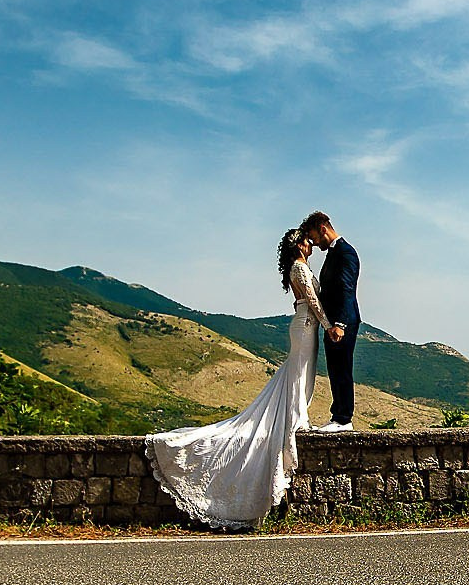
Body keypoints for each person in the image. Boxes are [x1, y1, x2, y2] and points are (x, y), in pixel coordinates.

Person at [145, 228, 330, 529]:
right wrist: (329, 324)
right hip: (306, 324)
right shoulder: (299, 267)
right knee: (298, 373)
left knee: (301, 373)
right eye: (307, 241)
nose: (311, 245)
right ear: (299, 245)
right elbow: (311, 298)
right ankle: (295, 418)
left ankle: (297, 414)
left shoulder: (301, 267)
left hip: (307, 325)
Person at [301, 211, 360, 432]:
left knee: (342, 368)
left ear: (322, 228)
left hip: (342, 323)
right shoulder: (334, 254)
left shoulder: (346, 253)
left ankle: (343, 419)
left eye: (313, 237)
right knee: (335, 369)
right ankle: (338, 417)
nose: (314, 243)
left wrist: (340, 324)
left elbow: (346, 289)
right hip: (332, 323)